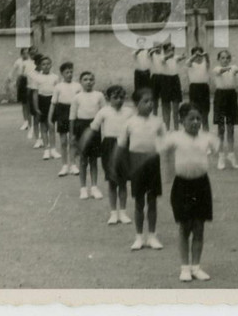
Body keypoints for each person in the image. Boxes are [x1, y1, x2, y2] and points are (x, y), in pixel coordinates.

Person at [160, 103, 220, 282]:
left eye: (198, 119)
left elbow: (215, 147)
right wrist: (168, 174)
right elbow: (164, 152)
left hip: (201, 185)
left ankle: (196, 267)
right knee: (185, 227)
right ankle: (185, 268)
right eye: (191, 119)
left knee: (199, 228)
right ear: (181, 120)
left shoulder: (207, 138)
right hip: (182, 186)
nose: (195, 122)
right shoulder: (175, 138)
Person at [118, 88, 166, 251]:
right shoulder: (129, 123)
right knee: (139, 201)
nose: (150, 104)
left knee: (152, 200)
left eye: (152, 101)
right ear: (136, 104)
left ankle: (152, 235)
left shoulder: (158, 122)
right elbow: (122, 146)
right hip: (136, 162)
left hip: (152, 162)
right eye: (145, 101)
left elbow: (164, 142)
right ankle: (139, 236)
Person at [82, 85, 135, 225]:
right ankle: (113, 213)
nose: (119, 100)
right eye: (115, 97)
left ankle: (122, 212)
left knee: (123, 181)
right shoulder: (103, 112)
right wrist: (82, 143)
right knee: (112, 181)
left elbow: (135, 129)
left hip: (124, 146)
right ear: (108, 98)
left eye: (122, 97)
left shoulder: (129, 112)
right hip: (108, 146)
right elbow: (93, 128)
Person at [70, 71, 105, 199]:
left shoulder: (99, 95)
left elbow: (104, 113)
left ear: (94, 81)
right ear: (81, 82)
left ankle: (94, 187)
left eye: (91, 79)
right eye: (85, 79)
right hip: (81, 128)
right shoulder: (77, 97)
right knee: (83, 160)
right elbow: (72, 117)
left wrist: (105, 132)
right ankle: (83, 188)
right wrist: (73, 135)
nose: (88, 82)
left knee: (94, 160)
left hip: (95, 129)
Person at [212, 51, 238, 170]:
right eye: (222, 58)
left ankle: (231, 154)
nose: (225, 60)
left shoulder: (233, 70)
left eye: (227, 58)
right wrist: (233, 67)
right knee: (221, 128)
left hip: (231, 97)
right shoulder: (217, 69)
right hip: (220, 97)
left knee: (231, 128)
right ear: (219, 59)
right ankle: (221, 156)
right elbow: (220, 71)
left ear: (230, 59)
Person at [49, 61, 81, 176]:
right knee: (63, 141)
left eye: (71, 72)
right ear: (62, 73)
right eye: (67, 72)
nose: (69, 74)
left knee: (73, 140)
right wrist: (50, 119)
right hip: (62, 113)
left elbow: (81, 102)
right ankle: (64, 165)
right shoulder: (58, 87)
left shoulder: (77, 86)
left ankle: (73, 164)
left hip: (74, 113)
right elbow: (53, 103)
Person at [32, 55, 60, 160]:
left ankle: (53, 149)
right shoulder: (37, 77)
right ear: (40, 66)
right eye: (43, 64)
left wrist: (57, 104)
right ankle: (46, 150)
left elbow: (58, 92)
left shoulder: (55, 77)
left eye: (48, 64)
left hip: (52, 102)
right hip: (42, 101)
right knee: (43, 127)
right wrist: (36, 108)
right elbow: (35, 94)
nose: (46, 66)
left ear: (51, 64)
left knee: (51, 126)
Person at [159, 43, 186, 130]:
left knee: (175, 108)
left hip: (175, 81)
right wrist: (168, 56)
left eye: (173, 49)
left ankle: (176, 129)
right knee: (166, 107)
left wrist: (182, 56)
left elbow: (180, 58)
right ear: (165, 50)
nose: (171, 51)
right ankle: (166, 129)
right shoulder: (161, 57)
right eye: (169, 49)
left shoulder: (175, 57)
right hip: (165, 81)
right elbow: (164, 59)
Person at [186, 47, 211, 131]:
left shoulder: (205, 63)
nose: (198, 57)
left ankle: (206, 136)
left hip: (204, 88)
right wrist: (195, 55)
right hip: (194, 89)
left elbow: (207, 60)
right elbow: (188, 62)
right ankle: (195, 135)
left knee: (205, 115)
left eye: (200, 54)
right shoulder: (190, 64)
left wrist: (205, 55)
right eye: (196, 55)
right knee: (194, 113)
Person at [9, 48, 32, 131]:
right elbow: (13, 71)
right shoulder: (18, 61)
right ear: (21, 54)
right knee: (24, 103)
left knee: (30, 103)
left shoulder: (31, 61)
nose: (26, 55)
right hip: (22, 82)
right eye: (24, 53)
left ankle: (31, 122)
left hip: (29, 81)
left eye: (27, 53)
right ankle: (25, 122)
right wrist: (10, 79)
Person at [23, 47, 41, 142]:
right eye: (32, 53)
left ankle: (39, 133)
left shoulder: (42, 64)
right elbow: (27, 80)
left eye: (35, 53)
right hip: (31, 89)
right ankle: (31, 128)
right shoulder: (27, 65)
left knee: (40, 115)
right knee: (32, 112)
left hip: (41, 92)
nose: (33, 55)